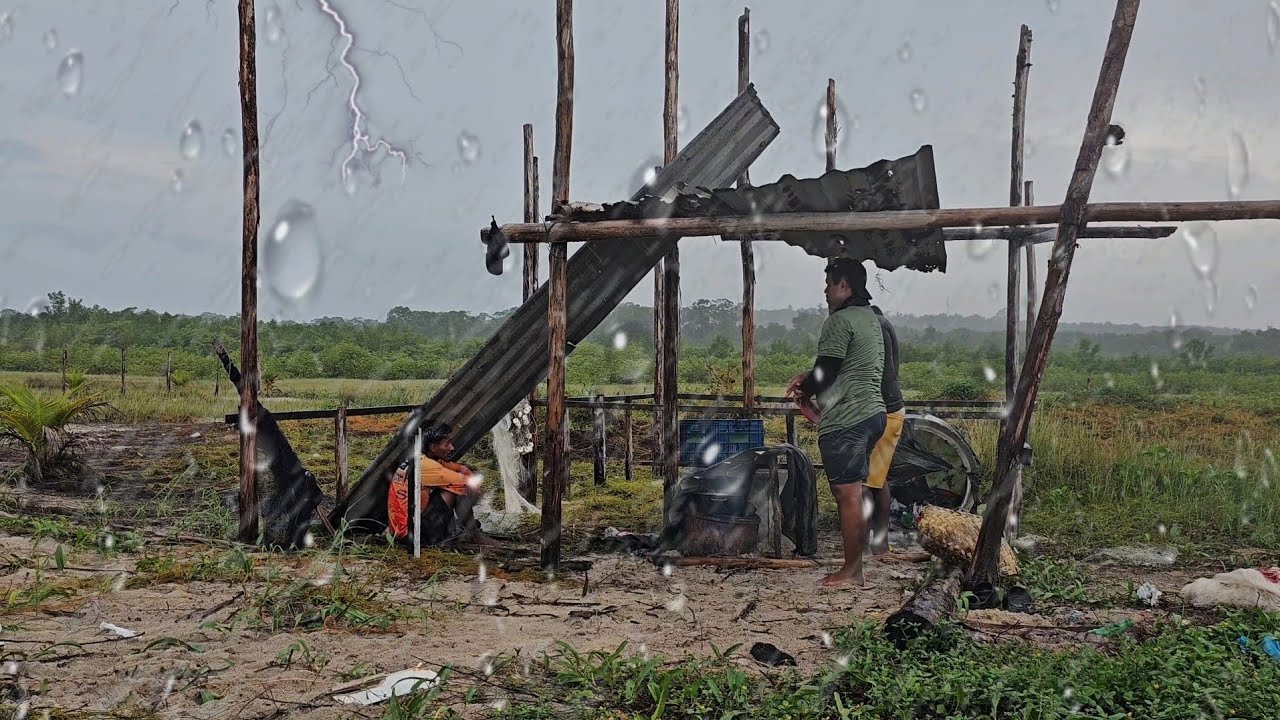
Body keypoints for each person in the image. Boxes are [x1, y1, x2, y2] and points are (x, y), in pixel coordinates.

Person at [787, 258, 886, 587]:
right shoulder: (870, 318)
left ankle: (852, 571)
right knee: (856, 491)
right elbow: (848, 366)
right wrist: (811, 380)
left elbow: (826, 371)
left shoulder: (838, 321)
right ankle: (856, 564)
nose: (826, 291)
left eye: (830, 284)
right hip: (873, 413)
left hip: (848, 419)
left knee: (848, 495)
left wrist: (805, 389)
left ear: (844, 286)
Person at [387, 420, 500, 548]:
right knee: (458, 490)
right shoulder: (426, 466)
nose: (452, 448)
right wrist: (474, 489)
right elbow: (468, 485)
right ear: (433, 447)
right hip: (414, 535)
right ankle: (473, 535)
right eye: (447, 444)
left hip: (404, 529)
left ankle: (464, 530)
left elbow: (452, 466)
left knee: (454, 485)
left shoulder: (419, 458)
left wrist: (464, 469)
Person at [866, 304, 904, 555]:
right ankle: (878, 542)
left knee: (867, 483)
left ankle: (872, 544)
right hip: (890, 408)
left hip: (881, 411)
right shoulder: (884, 324)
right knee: (877, 480)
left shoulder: (872, 326)